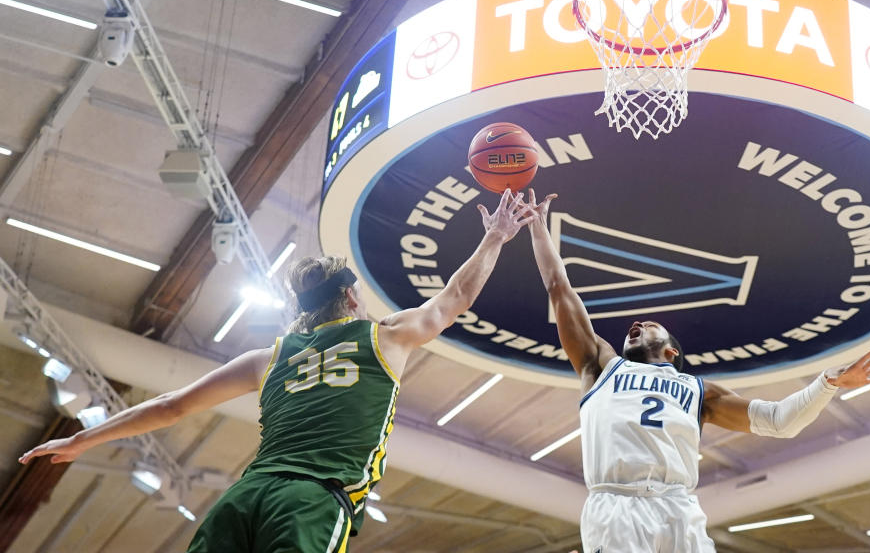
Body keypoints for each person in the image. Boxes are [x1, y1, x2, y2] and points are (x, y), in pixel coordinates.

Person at [20, 188, 535, 553]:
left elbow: (168, 406)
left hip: (245, 497)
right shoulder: (386, 335)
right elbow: (456, 299)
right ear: (351, 297)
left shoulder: (265, 359)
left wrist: (81, 441)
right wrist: (495, 236)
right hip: (311, 498)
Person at [520, 189, 870, 553]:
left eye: (649, 325)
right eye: (636, 325)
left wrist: (827, 383)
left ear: (670, 350)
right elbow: (559, 288)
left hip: (679, 508)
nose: (636, 323)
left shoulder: (701, 392)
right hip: (616, 506)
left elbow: (781, 421)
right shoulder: (601, 366)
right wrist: (538, 228)